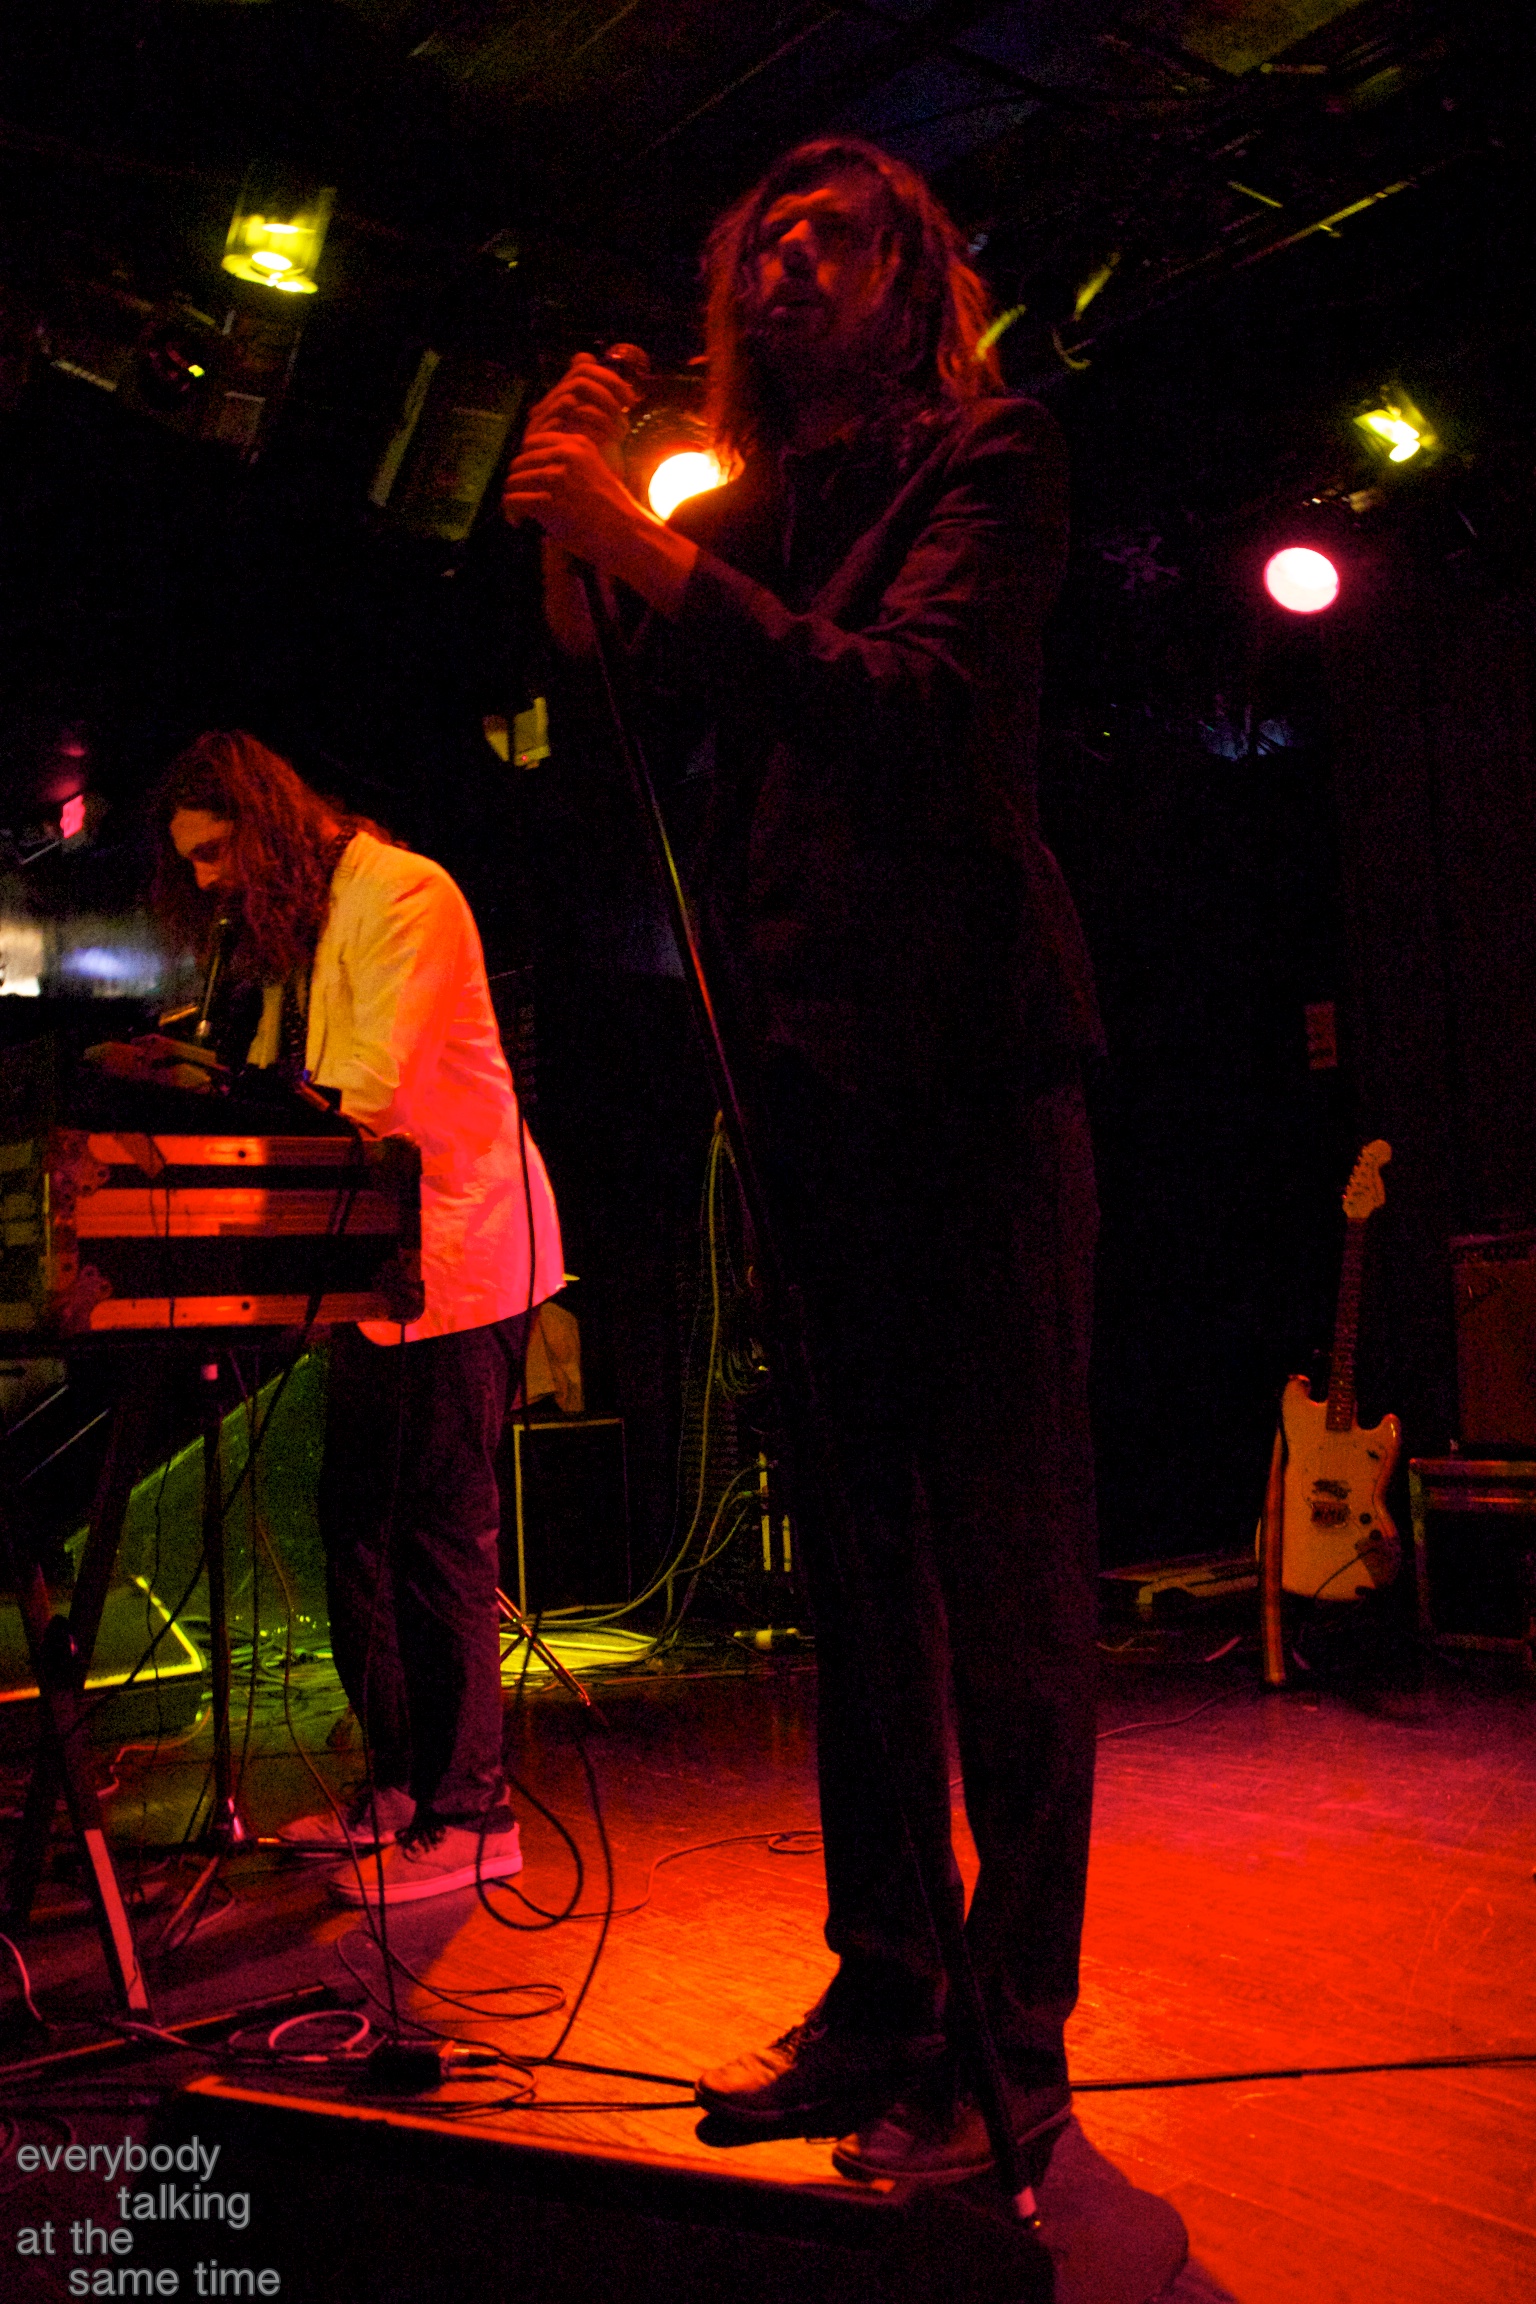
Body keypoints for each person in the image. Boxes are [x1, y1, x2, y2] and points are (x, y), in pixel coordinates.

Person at [502, 136, 1103, 2186]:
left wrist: (644, 547)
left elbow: (914, 707)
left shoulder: (993, 458)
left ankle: (1011, 2052)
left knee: (1007, 1584)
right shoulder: (758, 506)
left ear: (912, 278)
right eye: (760, 241)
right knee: (858, 1585)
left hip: (975, 1078)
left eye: (830, 238)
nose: (785, 266)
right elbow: (624, 671)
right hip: (808, 1087)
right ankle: (884, 1992)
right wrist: (582, 525)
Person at [151, 731, 564, 1905]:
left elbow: (371, 1090)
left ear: (269, 827)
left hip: (459, 1254)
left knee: (438, 1534)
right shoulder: (311, 922)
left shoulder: (404, 895)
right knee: (360, 1528)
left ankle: (472, 1812)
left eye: (217, 854)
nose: (208, 883)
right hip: (376, 1266)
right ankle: (400, 1784)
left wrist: (248, 1092)